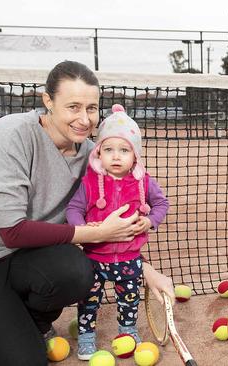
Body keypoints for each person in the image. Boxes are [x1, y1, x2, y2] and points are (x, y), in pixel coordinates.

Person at [0, 60, 175, 366]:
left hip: (26, 259)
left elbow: (112, 227)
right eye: (73, 106)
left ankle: (17, 320)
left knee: (76, 271)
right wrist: (96, 233)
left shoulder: (94, 156)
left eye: (90, 108)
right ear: (48, 101)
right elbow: (12, 232)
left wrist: (143, 269)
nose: (84, 118)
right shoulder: (13, 133)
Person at [65, 104, 169, 359]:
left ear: (135, 155)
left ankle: (127, 331)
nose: (116, 156)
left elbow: (162, 204)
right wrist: (81, 227)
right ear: (98, 152)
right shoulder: (89, 182)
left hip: (129, 259)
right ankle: (87, 337)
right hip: (93, 259)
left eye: (124, 150)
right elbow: (73, 208)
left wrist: (150, 221)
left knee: (128, 300)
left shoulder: (144, 182)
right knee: (89, 301)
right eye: (108, 150)